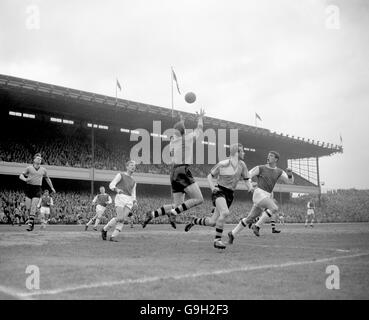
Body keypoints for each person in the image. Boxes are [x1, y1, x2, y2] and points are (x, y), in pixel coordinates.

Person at [142, 109, 205, 229]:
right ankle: (173, 213)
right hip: (183, 170)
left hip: (173, 173)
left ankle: (151, 214)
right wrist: (200, 117)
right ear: (184, 131)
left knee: (177, 205)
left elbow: (179, 130)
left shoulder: (172, 141)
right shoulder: (188, 138)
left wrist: (181, 121)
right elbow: (199, 129)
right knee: (199, 199)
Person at [184, 143, 253, 249]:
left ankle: (194, 220)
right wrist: (212, 188)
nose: (244, 153)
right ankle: (217, 241)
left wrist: (250, 188)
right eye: (242, 151)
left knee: (212, 222)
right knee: (225, 212)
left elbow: (247, 179)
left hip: (230, 194)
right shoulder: (224, 164)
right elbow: (209, 176)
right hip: (220, 191)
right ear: (236, 153)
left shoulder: (242, 165)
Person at [228, 151, 294, 244]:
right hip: (259, 193)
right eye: (268, 155)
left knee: (249, 218)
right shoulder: (260, 168)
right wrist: (250, 186)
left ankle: (232, 233)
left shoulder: (279, 171)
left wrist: (290, 174)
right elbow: (247, 175)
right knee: (274, 208)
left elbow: (289, 182)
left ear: (276, 159)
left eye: (271, 156)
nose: (268, 157)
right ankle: (257, 226)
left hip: (266, 196)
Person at [101, 160, 138, 242]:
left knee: (123, 219)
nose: (133, 167)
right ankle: (104, 229)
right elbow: (111, 184)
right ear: (127, 167)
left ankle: (113, 237)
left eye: (134, 165)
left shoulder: (134, 181)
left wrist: (134, 202)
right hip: (120, 198)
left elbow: (133, 193)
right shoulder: (120, 175)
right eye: (131, 165)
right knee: (120, 217)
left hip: (129, 200)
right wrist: (117, 189)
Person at [19, 153, 56, 231]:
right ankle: (31, 223)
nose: (40, 159)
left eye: (40, 158)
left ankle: (29, 225)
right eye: (38, 158)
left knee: (33, 207)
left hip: (37, 189)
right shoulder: (29, 168)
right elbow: (21, 176)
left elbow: (47, 179)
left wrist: (52, 187)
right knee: (28, 208)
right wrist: (25, 179)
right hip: (29, 188)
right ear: (34, 160)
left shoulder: (43, 170)